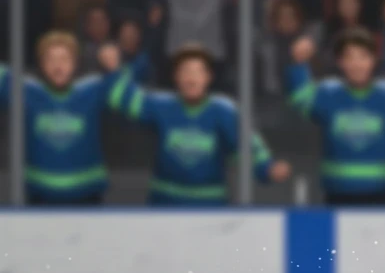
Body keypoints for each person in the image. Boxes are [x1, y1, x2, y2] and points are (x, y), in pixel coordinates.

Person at [287, 27, 385, 205]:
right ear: (340, 62)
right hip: (338, 196)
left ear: (373, 60)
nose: (357, 64)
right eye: (350, 57)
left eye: (363, 56)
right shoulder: (327, 94)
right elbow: (300, 100)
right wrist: (299, 62)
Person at [119, 43, 290, 205]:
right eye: (185, 71)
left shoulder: (225, 110)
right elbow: (120, 97)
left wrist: (268, 168)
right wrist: (116, 68)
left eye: (198, 71)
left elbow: (249, 146)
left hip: (209, 208)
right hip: (165, 205)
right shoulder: (161, 105)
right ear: (176, 77)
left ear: (208, 77)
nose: (191, 77)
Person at [0, 32, 132, 204]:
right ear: (41, 64)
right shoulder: (28, 91)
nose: (58, 66)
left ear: (75, 63)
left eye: (64, 59)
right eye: (51, 59)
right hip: (40, 199)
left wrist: (115, 68)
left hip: (87, 198)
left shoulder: (93, 88)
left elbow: (129, 99)